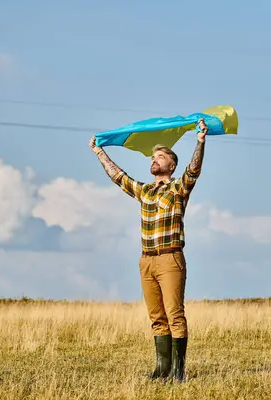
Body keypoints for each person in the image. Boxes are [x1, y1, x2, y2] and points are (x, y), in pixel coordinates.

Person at [88, 118, 208, 382]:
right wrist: (99, 152)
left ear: (171, 165)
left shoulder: (178, 188)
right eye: (153, 157)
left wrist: (200, 141)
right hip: (146, 261)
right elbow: (118, 177)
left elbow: (194, 170)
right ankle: (161, 369)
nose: (154, 160)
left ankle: (178, 372)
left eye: (160, 157)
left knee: (175, 314)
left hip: (170, 259)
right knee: (156, 317)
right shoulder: (144, 191)